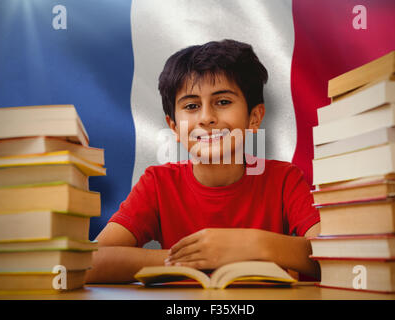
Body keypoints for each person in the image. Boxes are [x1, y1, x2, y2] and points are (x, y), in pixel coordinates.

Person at [85, 39, 320, 283]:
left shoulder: (284, 180)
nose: (206, 118)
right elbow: (90, 263)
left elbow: (336, 256)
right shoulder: (158, 183)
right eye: (191, 105)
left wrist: (251, 245)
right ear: (174, 127)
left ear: (254, 117)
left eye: (223, 102)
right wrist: (198, 259)